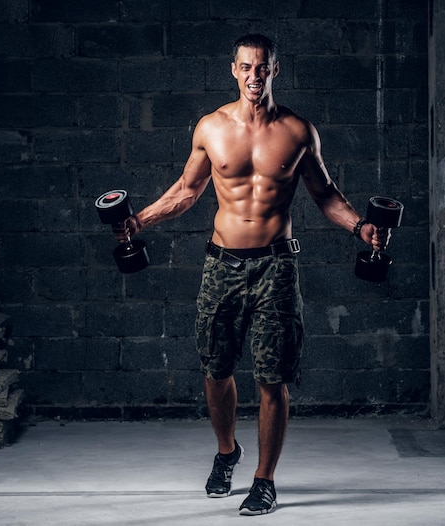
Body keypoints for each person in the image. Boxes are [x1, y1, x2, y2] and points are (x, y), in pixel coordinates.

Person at [113, 33, 385, 515]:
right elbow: (186, 191)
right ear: (233, 70)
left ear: (275, 70)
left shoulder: (299, 131)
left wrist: (360, 228)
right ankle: (226, 453)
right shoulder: (211, 127)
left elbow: (326, 195)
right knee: (215, 370)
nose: (254, 76)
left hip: (276, 267)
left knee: (271, 377)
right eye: (246, 67)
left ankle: (264, 479)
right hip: (221, 265)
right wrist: (140, 220)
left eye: (263, 67)